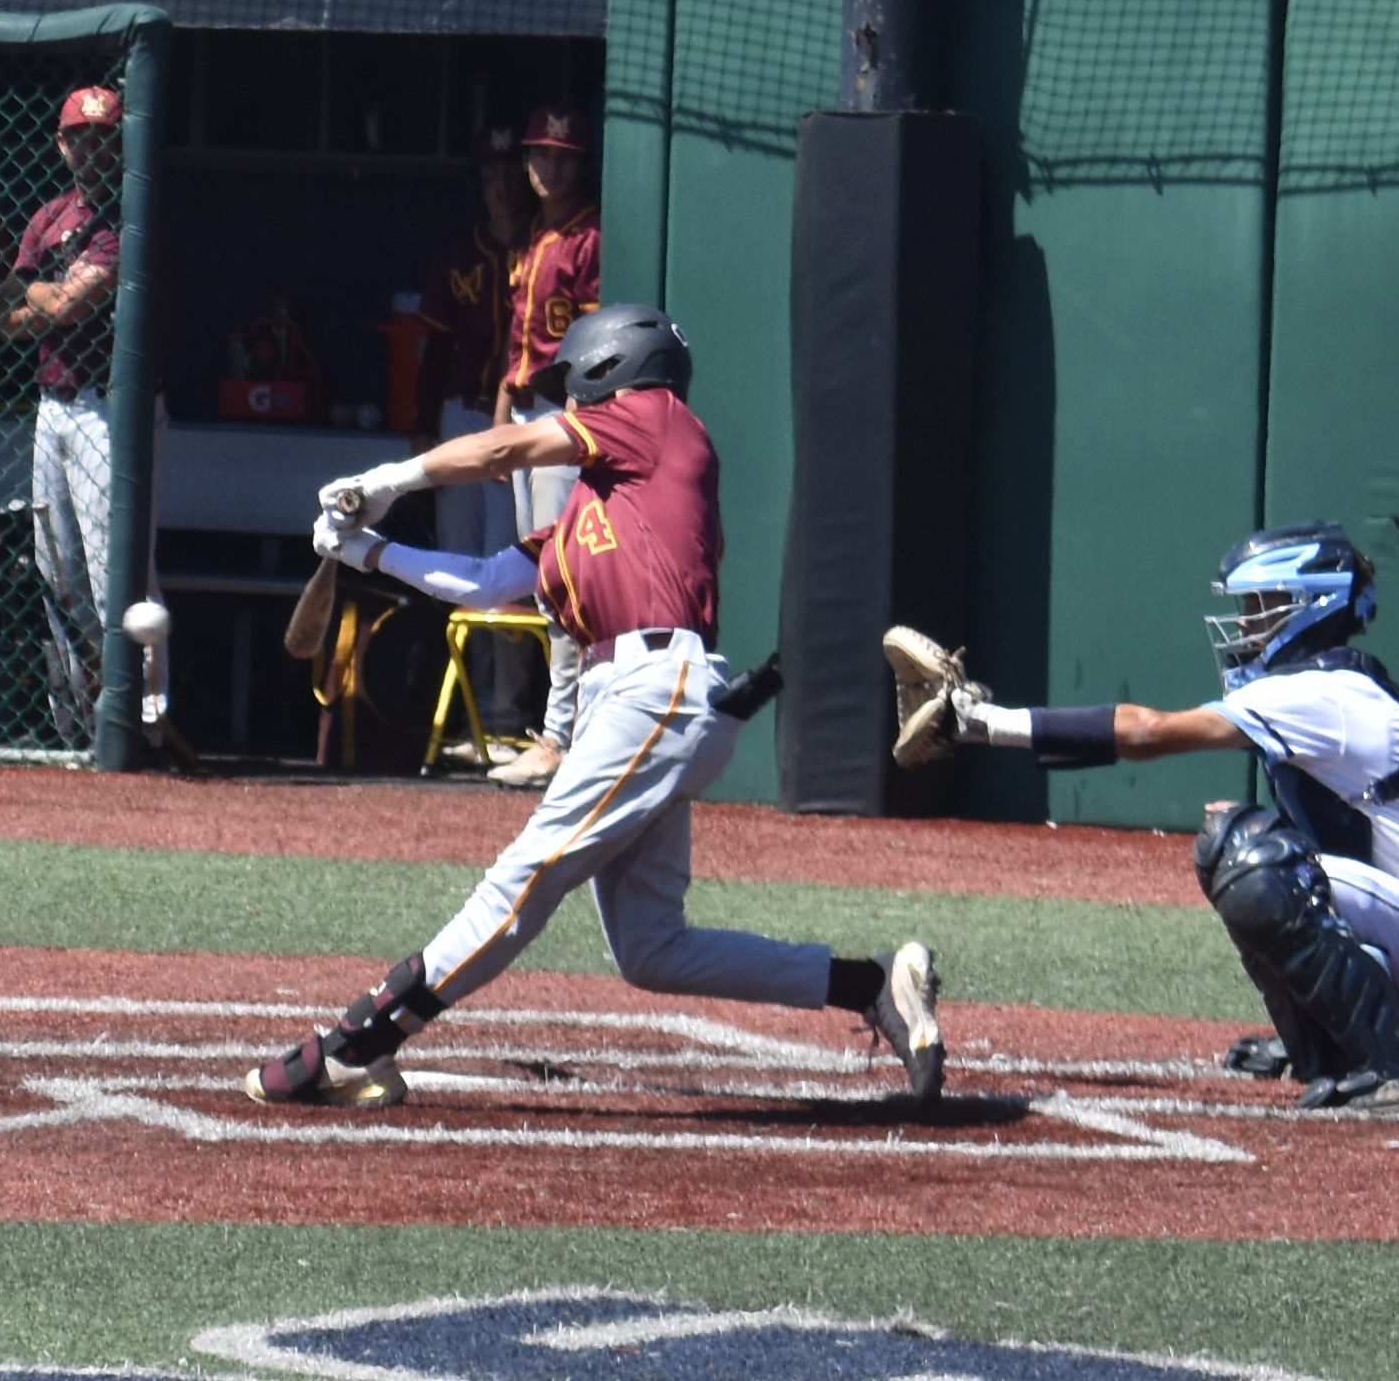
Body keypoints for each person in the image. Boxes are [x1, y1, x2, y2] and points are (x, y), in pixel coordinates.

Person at [242, 305, 946, 1111]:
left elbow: (504, 448)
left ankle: (357, 1044)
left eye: (568, 387)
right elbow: (485, 582)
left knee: (524, 879)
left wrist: (384, 482)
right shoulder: (598, 504)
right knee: (653, 950)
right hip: (637, 703)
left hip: (658, 690)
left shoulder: (656, 421)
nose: (562, 406)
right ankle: (871, 984)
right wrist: (366, 550)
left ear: (611, 367)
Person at [934, 522, 1399, 1115]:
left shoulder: (1324, 693)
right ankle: (1338, 1046)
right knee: (1235, 846)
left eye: (1262, 605)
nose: (1247, 622)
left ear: (1310, 605)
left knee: (1257, 861)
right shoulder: (1329, 685)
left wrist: (987, 724)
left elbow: (1149, 733)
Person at [0, 84, 154, 745]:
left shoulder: (128, 215)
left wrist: (38, 297)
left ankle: (136, 720)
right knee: (56, 570)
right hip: (50, 407)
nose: (91, 147)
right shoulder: (50, 215)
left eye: (103, 135)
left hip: (105, 408)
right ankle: (74, 722)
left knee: (116, 570)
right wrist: (37, 297)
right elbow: (9, 316)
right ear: (61, 144)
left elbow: (58, 308)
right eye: (79, 136)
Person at [484, 101, 601, 790]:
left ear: (580, 162)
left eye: (558, 155)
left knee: (563, 581)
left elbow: (591, 341)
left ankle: (565, 736)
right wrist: (503, 405)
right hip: (528, 411)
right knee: (538, 579)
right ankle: (556, 730)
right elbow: (518, 336)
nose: (544, 166)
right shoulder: (535, 235)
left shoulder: (592, 236)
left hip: (565, 413)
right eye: (536, 154)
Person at [412, 123, 535, 748]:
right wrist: (420, 423)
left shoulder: (544, 249)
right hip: (462, 418)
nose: (503, 186)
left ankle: (507, 711)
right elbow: (432, 348)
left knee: (507, 565)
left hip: (519, 425)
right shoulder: (461, 254)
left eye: (511, 172)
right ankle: (468, 716)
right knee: (457, 567)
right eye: (492, 175)